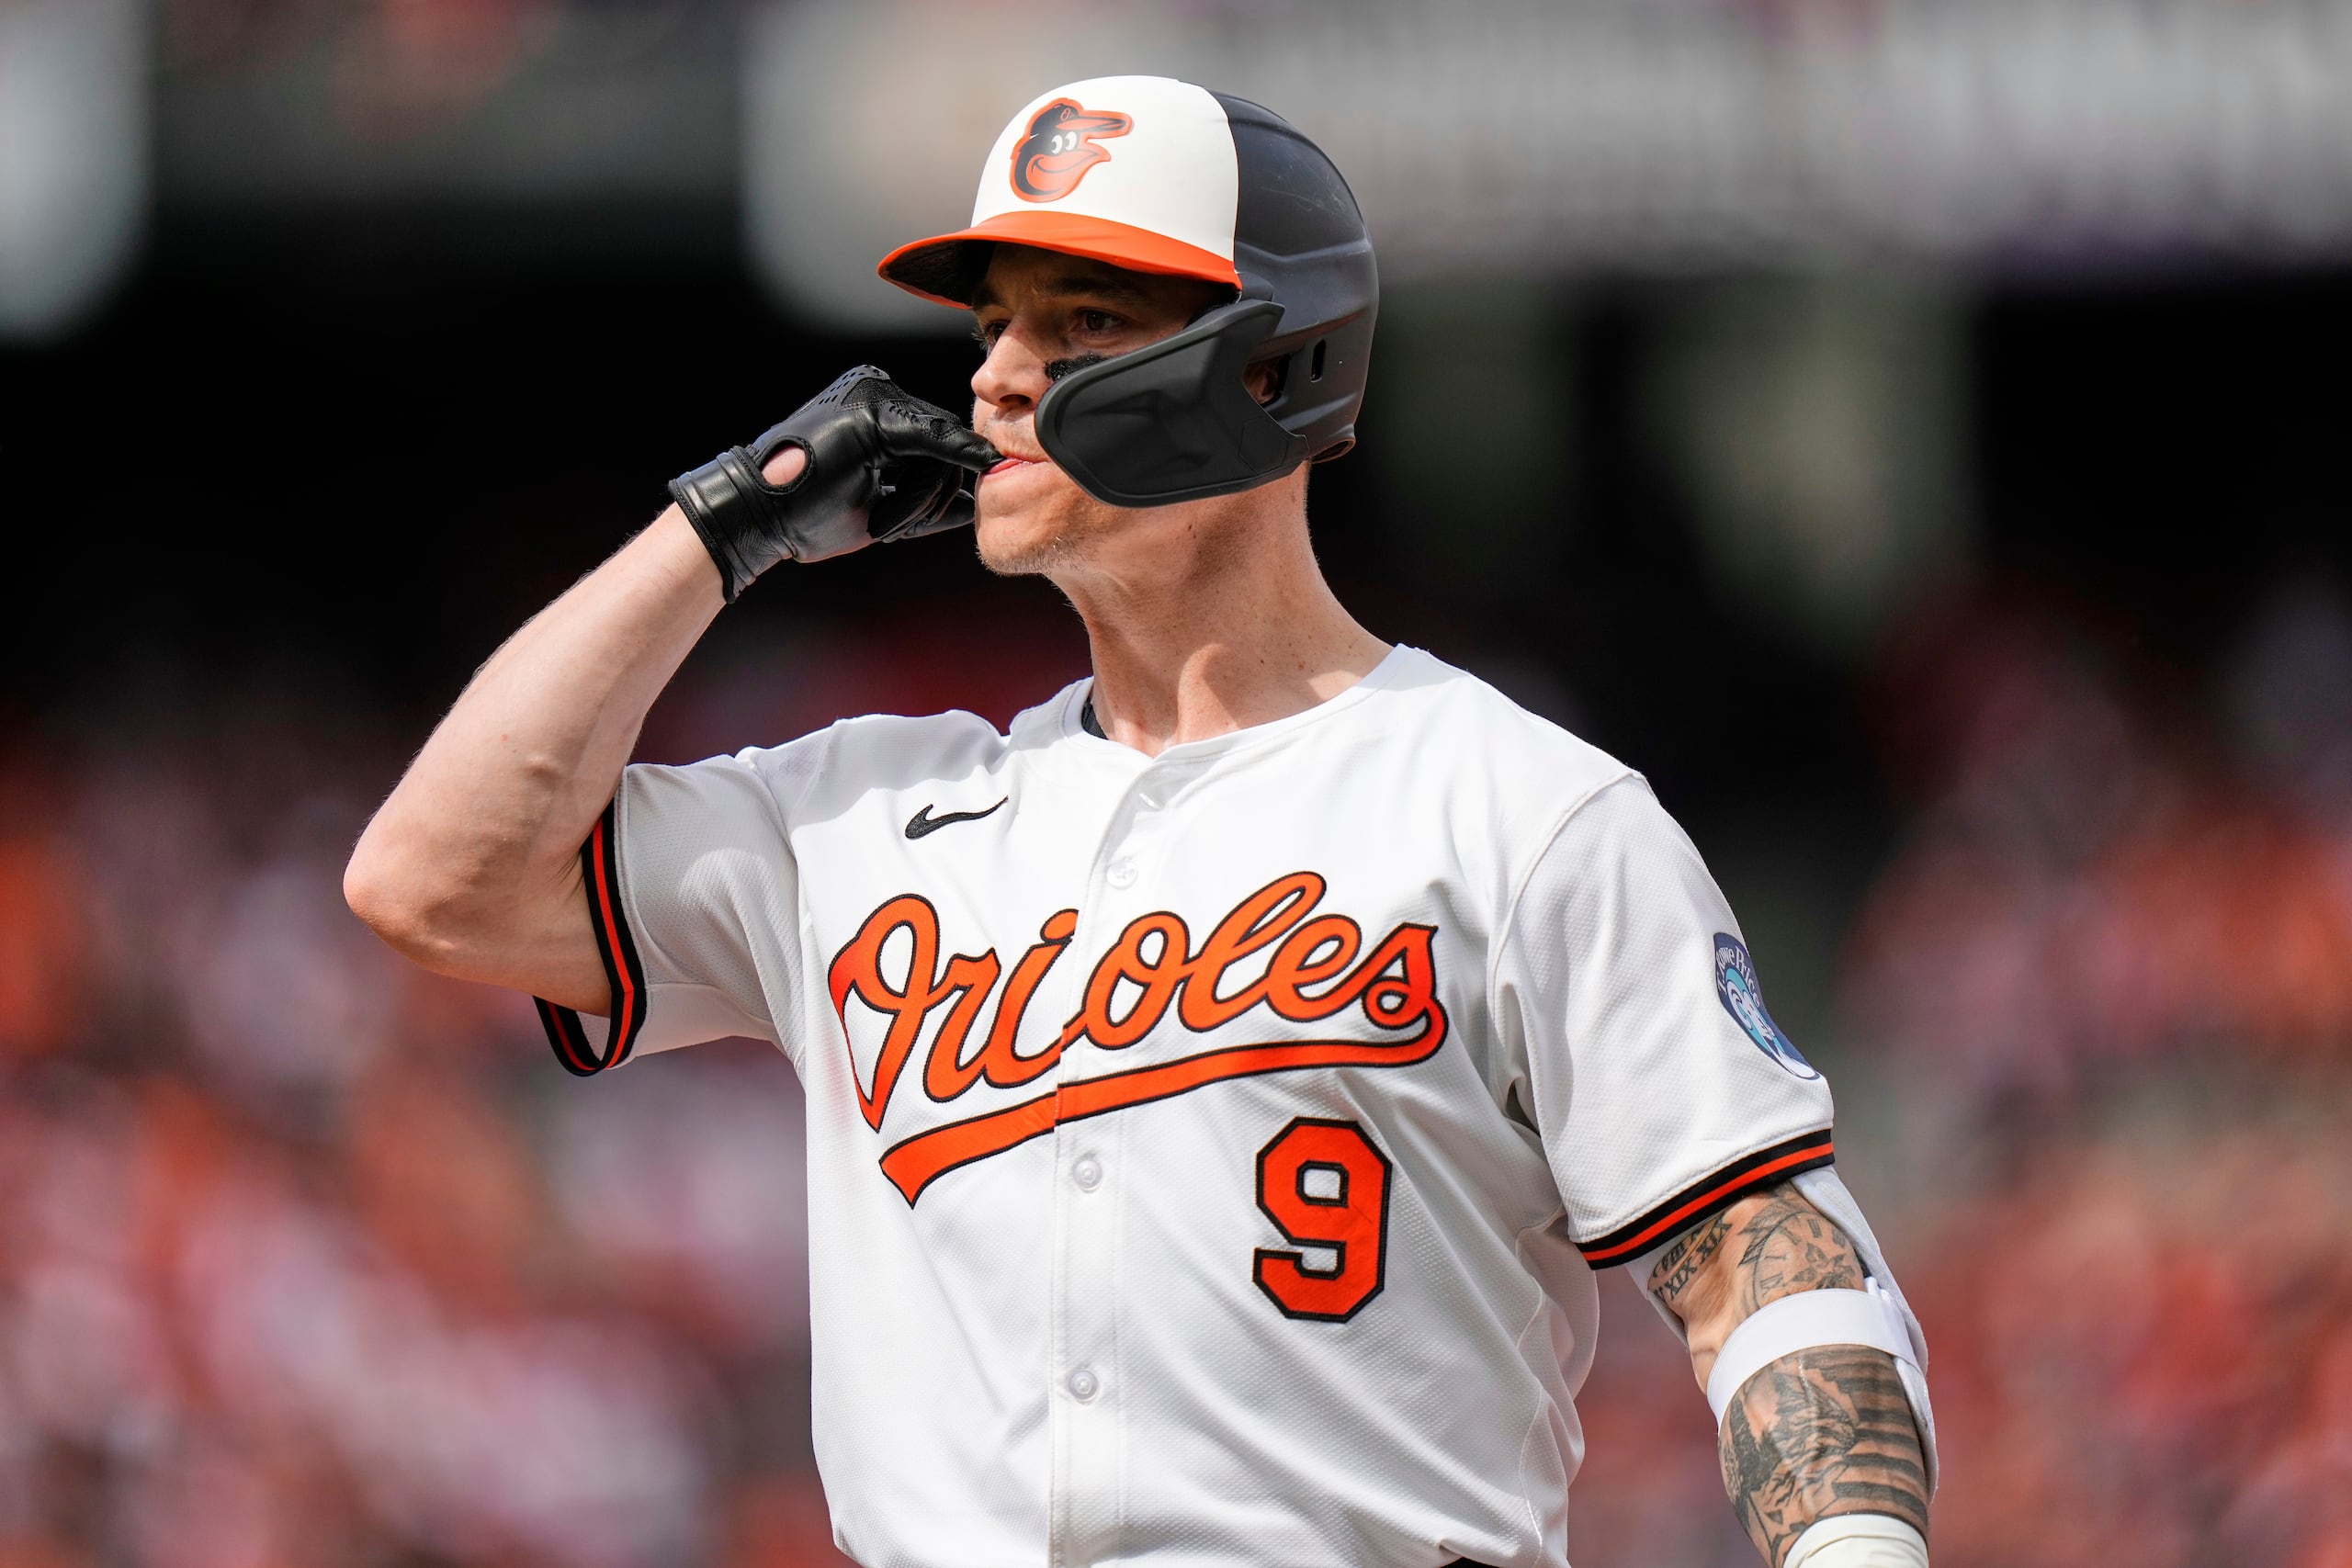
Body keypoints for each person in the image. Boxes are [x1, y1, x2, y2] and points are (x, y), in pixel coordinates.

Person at [345, 75, 1934, 1568]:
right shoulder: (864, 813)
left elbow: (1766, 1263)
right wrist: (724, 526)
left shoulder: (1517, 808)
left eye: (1083, 320)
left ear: (1271, 365)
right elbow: (435, 881)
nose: (996, 376)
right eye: (992, 326)